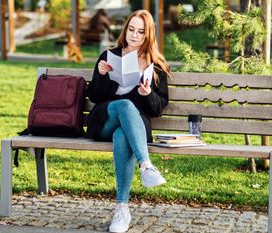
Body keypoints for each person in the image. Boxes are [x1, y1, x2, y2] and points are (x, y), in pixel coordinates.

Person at [85, 9, 172, 233]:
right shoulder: (108, 56)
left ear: (148, 34)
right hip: (105, 119)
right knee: (124, 105)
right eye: (131, 29)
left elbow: (158, 107)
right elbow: (94, 95)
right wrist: (102, 75)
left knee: (123, 134)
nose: (134, 35)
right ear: (126, 30)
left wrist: (147, 94)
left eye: (140, 31)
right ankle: (146, 165)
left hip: (135, 127)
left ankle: (122, 209)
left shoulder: (156, 65)